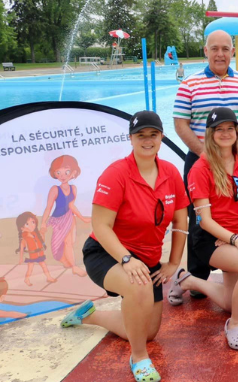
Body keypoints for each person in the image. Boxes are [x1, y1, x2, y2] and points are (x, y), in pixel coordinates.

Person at [60, 111, 188, 382]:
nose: (147, 140)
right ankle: (139, 357)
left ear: (161, 137)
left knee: (148, 330)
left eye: (153, 134)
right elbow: (101, 226)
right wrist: (127, 260)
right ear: (131, 138)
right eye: (140, 135)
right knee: (138, 287)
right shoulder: (116, 173)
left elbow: (180, 219)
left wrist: (174, 262)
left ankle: (90, 316)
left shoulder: (170, 172)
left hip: (148, 260)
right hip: (107, 253)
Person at [166, 107, 238, 350]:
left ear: (237, 132)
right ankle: (235, 325)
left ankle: (187, 280)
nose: (225, 133)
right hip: (209, 239)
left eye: (229, 128)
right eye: (219, 129)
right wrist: (234, 240)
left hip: (236, 237)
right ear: (210, 134)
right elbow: (205, 220)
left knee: (233, 301)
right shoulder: (201, 168)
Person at [174, 29, 238, 291]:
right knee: (199, 217)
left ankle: (235, 255)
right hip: (201, 159)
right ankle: (195, 278)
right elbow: (180, 123)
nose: (220, 54)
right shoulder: (190, 84)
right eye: (214, 48)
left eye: (225, 48)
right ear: (206, 51)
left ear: (233, 52)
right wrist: (208, 156)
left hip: (236, 158)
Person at [40, 155, 89, 277]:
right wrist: (43, 223)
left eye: (66, 172)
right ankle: (70, 264)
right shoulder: (55, 189)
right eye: (58, 172)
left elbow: (71, 205)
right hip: (58, 220)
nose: (62, 175)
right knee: (57, 246)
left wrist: (82, 218)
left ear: (73, 173)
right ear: (55, 173)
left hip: (69, 217)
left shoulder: (73, 188)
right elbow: (48, 207)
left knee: (69, 242)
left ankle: (73, 267)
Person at [16, 212, 57, 285]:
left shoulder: (35, 233)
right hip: (31, 256)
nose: (32, 225)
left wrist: (43, 234)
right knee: (30, 269)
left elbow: (42, 242)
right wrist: (21, 258)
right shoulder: (24, 237)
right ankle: (26, 279)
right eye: (27, 224)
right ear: (22, 228)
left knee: (44, 266)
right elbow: (22, 248)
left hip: (39, 254)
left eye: (33, 222)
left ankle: (48, 277)